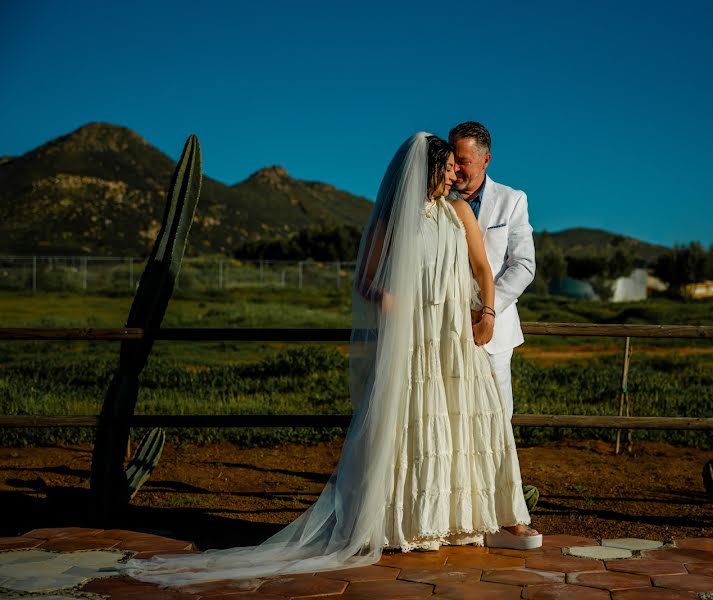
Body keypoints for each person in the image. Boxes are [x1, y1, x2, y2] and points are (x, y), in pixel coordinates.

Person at [120, 133, 539, 587]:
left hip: (454, 337)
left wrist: (488, 312)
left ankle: (467, 517)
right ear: (428, 170)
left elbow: (482, 267)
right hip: (413, 341)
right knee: (408, 424)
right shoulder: (392, 220)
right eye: (448, 167)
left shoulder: (459, 212)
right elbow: (366, 281)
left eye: (459, 166)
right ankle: (409, 522)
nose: (455, 174)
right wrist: (394, 304)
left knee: (466, 425)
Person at [448, 122, 536, 420]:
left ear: (486, 160)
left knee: (496, 419)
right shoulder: (438, 201)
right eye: (453, 159)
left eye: (464, 161)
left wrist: (487, 309)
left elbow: (523, 265)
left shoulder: (512, 201)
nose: (456, 168)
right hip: (445, 329)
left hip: (493, 332)